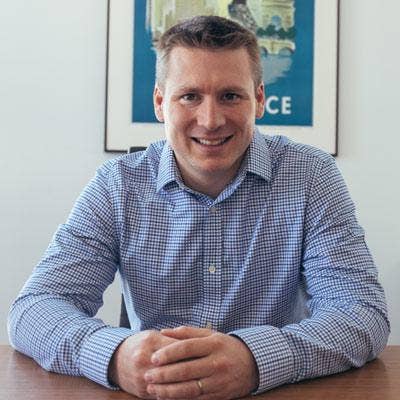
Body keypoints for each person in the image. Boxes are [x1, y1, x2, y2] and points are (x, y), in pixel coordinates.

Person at [8, 15, 389, 400]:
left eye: (230, 96)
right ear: (160, 102)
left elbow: (360, 314)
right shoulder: (117, 185)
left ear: (259, 99)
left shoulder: (310, 176)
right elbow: (35, 309)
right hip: (156, 392)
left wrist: (254, 359)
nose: (210, 121)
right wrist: (116, 356)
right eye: (190, 96)